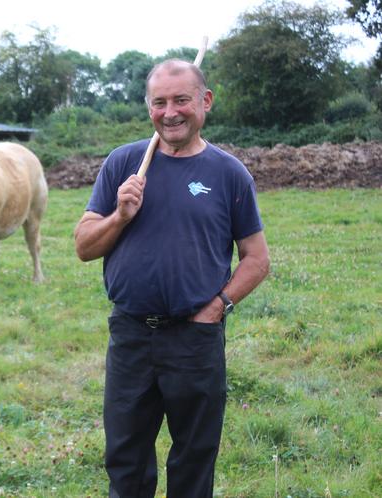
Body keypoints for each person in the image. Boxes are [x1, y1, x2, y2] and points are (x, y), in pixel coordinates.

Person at [74, 59, 270, 497]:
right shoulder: (123, 163)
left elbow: (256, 259)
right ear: (148, 108)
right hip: (130, 337)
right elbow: (85, 246)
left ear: (205, 101)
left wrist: (216, 308)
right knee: (125, 459)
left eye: (181, 100)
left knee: (194, 459)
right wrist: (120, 216)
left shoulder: (228, 174)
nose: (170, 112)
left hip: (195, 339)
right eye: (159, 103)